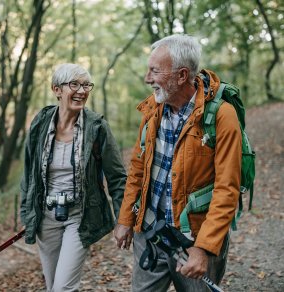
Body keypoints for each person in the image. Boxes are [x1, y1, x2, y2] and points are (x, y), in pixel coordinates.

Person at [114, 34, 242, 291]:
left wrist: (204, 248)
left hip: (194, 241)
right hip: (150, 232)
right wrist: (126, 218)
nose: (147, 78)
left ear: (182, 75)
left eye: (155, 71)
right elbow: (138, 168)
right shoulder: (153, 108)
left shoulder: (222, 116)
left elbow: (227, 190)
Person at [20, 63, 127, 292]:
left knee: (63, 288)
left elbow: (118, 177)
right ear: (57, 89)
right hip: (45, 217)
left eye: (86, 85)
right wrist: (26, 212)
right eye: (74, 84)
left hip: (80, 216)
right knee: (53, 286)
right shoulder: (40, 123)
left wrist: (123, 220)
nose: (82, 91)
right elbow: (29, 173)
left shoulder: (97, 127)